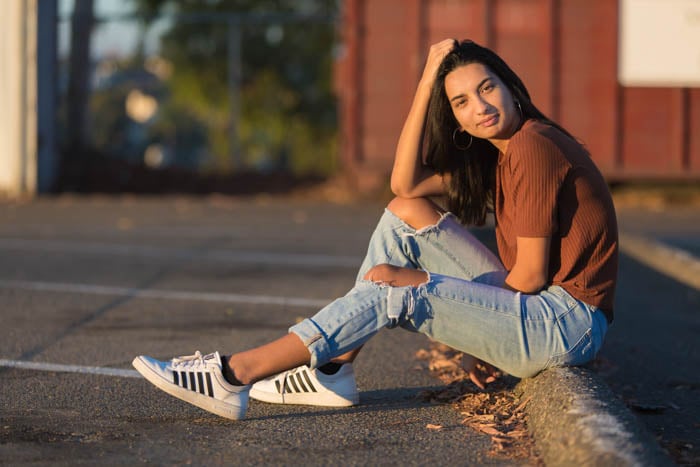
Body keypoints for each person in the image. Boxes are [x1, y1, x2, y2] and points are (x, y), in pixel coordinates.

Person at [132, 39, 618, 421]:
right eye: (461, 102)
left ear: (511, 86)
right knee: (404, 214)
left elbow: (529, 277)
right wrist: (428, 78)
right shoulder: (505, 154)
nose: (480, 106)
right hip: (541, 311)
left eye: (488, 88)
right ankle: (333, 369)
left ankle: (233, 375)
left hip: (561, 324)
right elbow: (404, 185)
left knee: (392, 289)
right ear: (457, 121)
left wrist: (459, 319)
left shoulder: (534, 148)